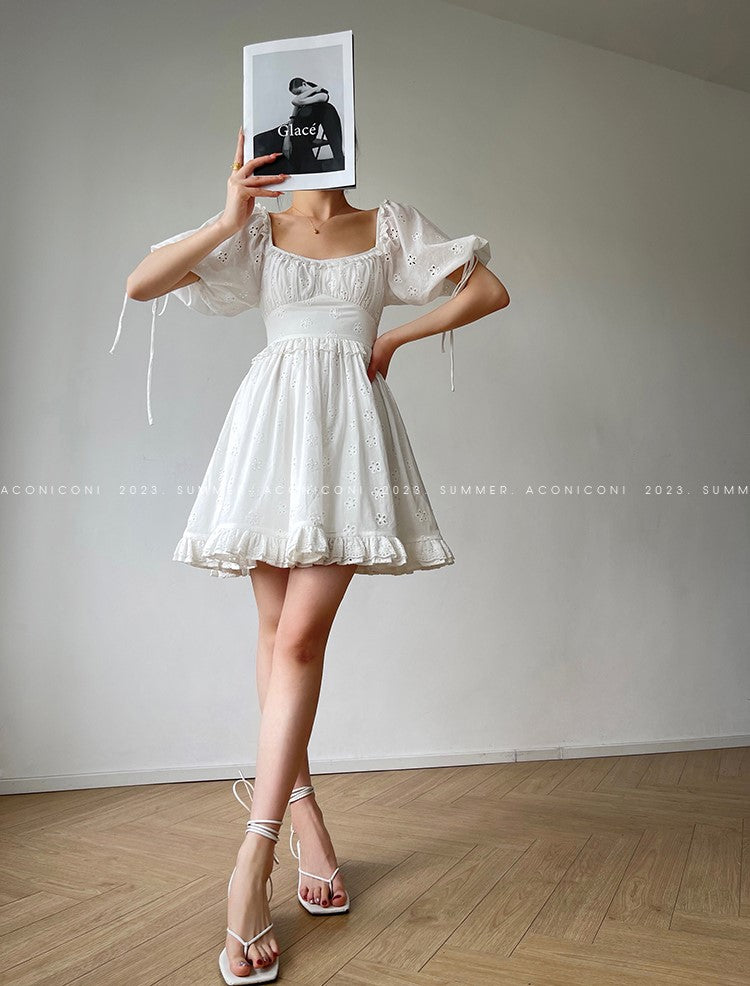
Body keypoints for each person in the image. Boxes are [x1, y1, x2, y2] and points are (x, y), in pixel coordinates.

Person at [117, 128, 509, 983]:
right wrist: (229, 215)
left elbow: (488, 290)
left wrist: (395, 340)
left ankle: (252, 859)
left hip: (345, 443)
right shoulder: (256, 232)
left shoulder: (389, 226)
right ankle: (305, 823)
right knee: (273, 639)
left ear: (347, 136)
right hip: (270, 437)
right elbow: (141, 284)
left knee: (296, 641)